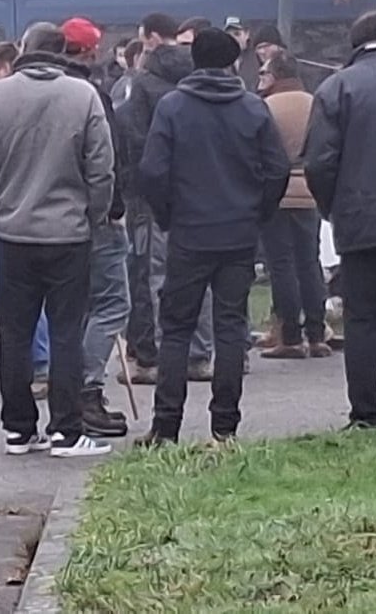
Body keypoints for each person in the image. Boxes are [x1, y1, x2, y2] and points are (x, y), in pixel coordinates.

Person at [0, 22, 116, 458]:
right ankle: (66, 430)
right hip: (69, 233)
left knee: (14, 333)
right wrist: (94, 214)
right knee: (67, 332)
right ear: (63, 52)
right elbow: (101, 168)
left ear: (23, 50)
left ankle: (18, 428)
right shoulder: (82, 95)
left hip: (13, 232)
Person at [137, 29, 289, 445]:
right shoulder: (253, 108)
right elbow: (277, 169)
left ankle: (165, 426)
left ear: (194, 62)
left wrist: (169, 216)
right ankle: (225, 426)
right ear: (232, 62)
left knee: (176, 328)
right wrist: (257, 213)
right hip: (238, 233)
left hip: (188, 232)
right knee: (230, 328)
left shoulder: (173, 107)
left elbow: (152, 171)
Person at [304, 12, 376, 427]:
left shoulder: (335, 89)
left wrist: (332, 208)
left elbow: (319, 161)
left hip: (360, 218)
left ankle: (366, 412)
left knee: (364, 319)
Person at [123, 12, 215, 384]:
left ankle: (168, 351)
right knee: (204, 276)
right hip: (202, 193)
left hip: (157, 198)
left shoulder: (142, 85)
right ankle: (201, 352)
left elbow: (133, 138)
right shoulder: (200, 81)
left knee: (158, 276)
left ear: (152, 42)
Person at [61, 17, 135, 439]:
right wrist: (112, 208)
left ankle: (69, 388)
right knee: (111, 304)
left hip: (51, 217)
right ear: (89, 51)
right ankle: (87, 391)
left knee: (76, 307)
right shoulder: (92, 94)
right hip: (95, 213)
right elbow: (106, 159)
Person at [256, 51, 330, 359]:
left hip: (278, 193)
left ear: (275, 76)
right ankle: (317, 333)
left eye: (263, 73)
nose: (259, 79)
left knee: (281, 265)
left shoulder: (265, 107)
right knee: (309, 262)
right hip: (310, 192)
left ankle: (290, 336)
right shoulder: (315, 103)